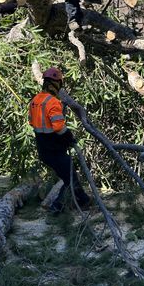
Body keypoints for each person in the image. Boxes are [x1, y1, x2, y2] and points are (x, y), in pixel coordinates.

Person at [28, 66, 90, 213]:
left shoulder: (35, 101)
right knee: (70, 177)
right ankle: (57, 206)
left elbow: (31, 122)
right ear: (57, 84)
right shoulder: (53, 102)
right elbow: (59, 128)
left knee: (69, 175)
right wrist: (70, 138)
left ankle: (84, 200)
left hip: (43, 149)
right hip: (54, 149)